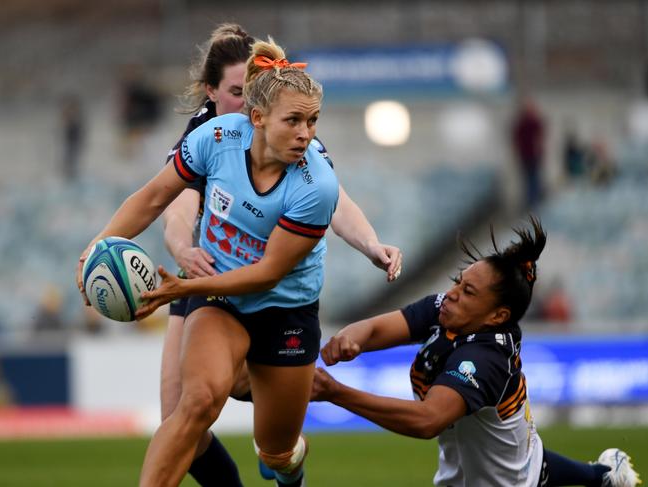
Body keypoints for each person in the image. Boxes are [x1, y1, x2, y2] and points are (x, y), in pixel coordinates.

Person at [77, 37, 379, 487]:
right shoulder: (213, 139)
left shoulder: (317, 185)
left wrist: (180, 288)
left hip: (285, 308)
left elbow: (268, 273)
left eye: (312, 121)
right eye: (294, 120)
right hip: (219, 296)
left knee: (276, 452)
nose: (306, 133)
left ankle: (288, 462)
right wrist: (100, 242)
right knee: (195, 403)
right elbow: (156, 197)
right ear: (257, 118)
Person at [161, 24, 402, 486]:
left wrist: (371, 243)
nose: (243, 102)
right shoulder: (206, 137)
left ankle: (277, 413)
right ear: (211, 93)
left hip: (275, 294)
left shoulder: (293, 133)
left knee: (274, 448)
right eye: (234, 92)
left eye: (249, 89)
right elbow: (174, 206)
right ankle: (262, 386)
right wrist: (183, 251)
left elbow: (338, 202)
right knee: (179, 415)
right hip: (206, 277)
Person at [311, 216, 640, 487]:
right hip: (518, 464)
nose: (452, 293)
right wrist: (350, 338)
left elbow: (427, 421)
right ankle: (606, 476)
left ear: (497, 316)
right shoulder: (448, 311)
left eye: (467, 291)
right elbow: (377, 328)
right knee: (539, 464)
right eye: (458, 281)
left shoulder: (484, 359)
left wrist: (334, 391)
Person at [512, 97, 546, 208]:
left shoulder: (535, 122)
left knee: (535, 179)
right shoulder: (522, 124)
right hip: (526, 156)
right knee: (529, 180)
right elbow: (517, 140)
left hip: (534, 156)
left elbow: (541, 138)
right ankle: (531, 202)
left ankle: (535, 202)